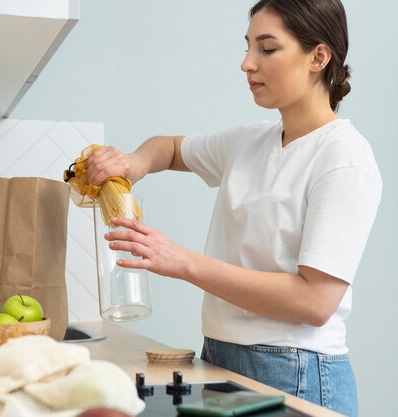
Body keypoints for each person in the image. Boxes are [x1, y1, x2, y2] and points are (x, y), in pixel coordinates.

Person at [85, 0, 381, 416]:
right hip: (221, 355)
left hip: (295, 369)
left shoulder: (343, 156)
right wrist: (134, 163)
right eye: (247, 48)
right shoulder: (250, 142)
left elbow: (315, 302)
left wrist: (183, 262)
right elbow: (168, 147)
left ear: (318, 56)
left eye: (267, 48)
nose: (247, 63)